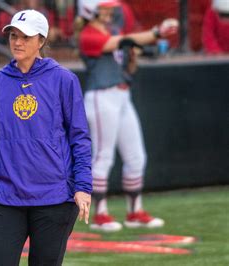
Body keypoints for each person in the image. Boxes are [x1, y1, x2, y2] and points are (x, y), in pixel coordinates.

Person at [0, 9, 93, 265]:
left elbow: (79, 137)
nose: (17, 42)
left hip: (55, 198)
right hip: (7, 197)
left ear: (42, 40)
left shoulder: (63, 80)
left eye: (26, 36)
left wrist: (82, 186)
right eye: (13, 35)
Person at [76, 0, 178, 232]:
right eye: (104, 8)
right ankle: (100, 214)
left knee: (136, 157)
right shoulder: (87, 35)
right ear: (90, 10)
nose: (110, 11)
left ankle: (135, 211)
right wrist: (156, 32)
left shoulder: (112, 29)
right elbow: (123, 42)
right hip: (101, 97)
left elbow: (132, 48)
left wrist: (155, 43)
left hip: (122, 95)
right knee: (103, 156)